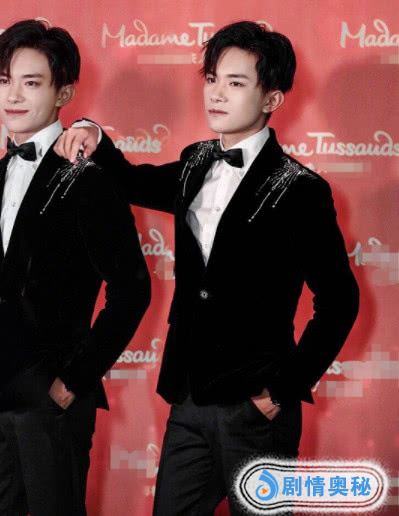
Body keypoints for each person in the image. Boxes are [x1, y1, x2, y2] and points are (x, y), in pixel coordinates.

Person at [57, 21, 359, 515]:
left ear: (271, 98)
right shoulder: (196, 161)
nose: (216, 93)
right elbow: (129, 181)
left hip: (257, 408)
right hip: (190, 401)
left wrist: (280, 392)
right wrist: (91, 130)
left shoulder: (300, 189)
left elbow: (340, 301)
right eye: (213, 79)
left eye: (236, 83)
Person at [0, 19, 150, 516]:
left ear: (64, 92)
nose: (13, 95)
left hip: (50, 400)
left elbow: (132, 290)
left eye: (31, 82)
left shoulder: (89, 178)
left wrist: (73, 382)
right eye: (4, 81)